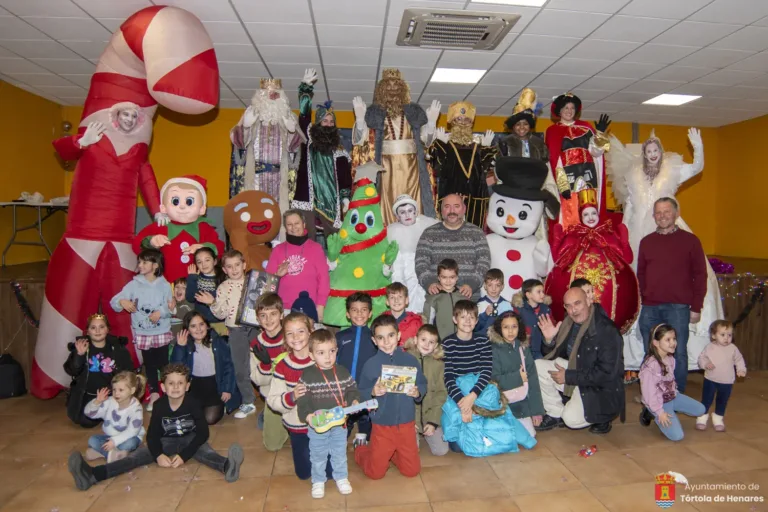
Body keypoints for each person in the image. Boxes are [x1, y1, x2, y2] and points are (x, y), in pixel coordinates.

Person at [607, 129, 722, 375]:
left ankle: (680, 372)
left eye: (655, 150)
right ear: (644, 154)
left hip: (670, 237)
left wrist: (698, 147)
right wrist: (622, 238)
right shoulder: (633, 176)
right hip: (641, 237)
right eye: (648, 151)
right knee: (635, 286)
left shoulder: (673, 171)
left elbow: (697, 167)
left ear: (660, 152)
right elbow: (628, 208)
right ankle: (638, 363)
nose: (651, 154)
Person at [67, 363, 245, 490]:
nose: (175, 387)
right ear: (163, 387)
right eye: (171, 383)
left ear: (187, 386)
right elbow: (151, 436)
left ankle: (228, 466)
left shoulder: (193, 403)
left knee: (207, 454)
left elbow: (203, 433)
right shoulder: (159, 406)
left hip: (191, 439)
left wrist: (184, 455)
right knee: (134, 458)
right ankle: (92, 475)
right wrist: (158, 455)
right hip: (165, 441)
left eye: (180, 383)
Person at [544, 187, 639, 339]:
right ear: (581, 217)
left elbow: (626, 259)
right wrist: (556, 242)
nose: (590, 217)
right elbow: (558, 260)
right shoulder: (573, 237)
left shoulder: (608, 235)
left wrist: (624, 241)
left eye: (593, 213)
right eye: (586, 214)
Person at [352, 69, 440, 225]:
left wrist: (431, 122)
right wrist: (360, 120)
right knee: (386, 201)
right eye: (388, 85)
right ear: (382, 89)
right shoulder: (375, 113)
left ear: (402, 88)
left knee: (415, 200)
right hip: (386, 168)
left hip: (412, 168)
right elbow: (361, 141)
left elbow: (426, 140)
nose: (392, 88)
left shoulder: (414, 112)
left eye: (396, 85)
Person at [638, 197, 707, 393]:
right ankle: (653, 393)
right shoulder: (646, 242)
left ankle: (676, 394)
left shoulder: (691, 241)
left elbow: (700, 275)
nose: (662, 216)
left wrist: (696, 307)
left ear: (676, 213)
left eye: (667, 211)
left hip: (678, 308)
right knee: (650, 352)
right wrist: (644, 297)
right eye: (658, 212)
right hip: (650, 307)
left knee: (679, 353)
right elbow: (640, 273)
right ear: (653, 216)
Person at [535, 287, 624, 434]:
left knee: (571, 419)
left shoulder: (607, 331)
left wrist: (569, 376)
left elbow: (606, 373)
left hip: (601, 388)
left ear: (589, 301)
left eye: (577, 303)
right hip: (578, 374)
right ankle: (556, 413)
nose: (573, 310)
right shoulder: (569, 323)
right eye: (568, 306)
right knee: (538, 366)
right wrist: (549, 341)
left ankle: (602, 417)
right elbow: (555, 355)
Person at [354, 314, 427, 479]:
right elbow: (361, 391)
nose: (386, 342)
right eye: (381, 338)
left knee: (412, 471)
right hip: (382, 425)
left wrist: (418, 392)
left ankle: (392, 453)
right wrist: (372, 392)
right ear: (374, 340)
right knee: (375, 473)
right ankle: (361, 449)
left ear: (399, 336)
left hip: (406, 425)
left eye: (391, 336)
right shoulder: (370, 364)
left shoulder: (411, 360)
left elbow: (422, 383)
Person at [297, 329, 359, 498]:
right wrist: (307, 415)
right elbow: (302, 399)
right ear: (311, 355)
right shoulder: (308, 375)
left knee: (339, 452)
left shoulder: (342, 372)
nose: (327, 357)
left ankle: (341, 477)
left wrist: (354, 400)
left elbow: (352, 389)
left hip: (339, 424)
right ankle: (318, 480)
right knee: (318, 454)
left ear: (336, 351)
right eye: (321, 353)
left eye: (331, 351)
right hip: (317, 426)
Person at [229, 77, 302, 219]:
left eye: (275, 93)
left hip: (279, 177)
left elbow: (295, 149)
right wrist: (245, 126)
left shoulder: (289, 117)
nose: (272, 96)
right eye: (268, 93)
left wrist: (292, 132)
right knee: (255, 212)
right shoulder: (251, 114)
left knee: (278, 215)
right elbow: (238, 142)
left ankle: (277, 242)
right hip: (255, 176)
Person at [110, 248, 173, 411]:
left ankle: (168, 394)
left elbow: (171, 308)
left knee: (164, 364)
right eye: (140, 262)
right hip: (143, 333)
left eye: (145, 262)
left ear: (155, 265)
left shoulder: (164, 285)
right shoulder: (133, 284)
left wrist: (162, 312)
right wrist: (122, 302)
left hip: (161, 332)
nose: (140, 265)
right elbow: (114, 301)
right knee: (150, 365)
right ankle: (154, 394)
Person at [292, 68, 352, 238]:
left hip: (331, 201)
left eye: (331, 121)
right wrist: (306, 88)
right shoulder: (310, 136)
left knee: (335, 239)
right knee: (305, 237)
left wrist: (345, 198)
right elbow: (304, 115)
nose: (328, 124)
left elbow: (344, 176)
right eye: (324, 120)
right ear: (318, 122)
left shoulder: (339, 149)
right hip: (307, 196)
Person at [133, 175, 224, 283]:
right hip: (164, 284)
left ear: (202, 209)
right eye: (175, 201)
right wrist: (151, 241)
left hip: (196, 284)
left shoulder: (204, 228)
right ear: (163, 207)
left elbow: (219, 248)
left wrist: (203, 247)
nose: (182, 206)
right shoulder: (160, 226)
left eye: (189, 201)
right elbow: (136, 244)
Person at [544, 92, 610, 232]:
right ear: (559, 111)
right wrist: (562, 185)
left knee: (590, 214)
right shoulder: (552, 131)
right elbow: (555, 161)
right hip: (568, 181)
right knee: (570, 216)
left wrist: (600, 135)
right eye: (566, 108)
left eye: (572, 108)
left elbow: (596, 152)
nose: (569, 111)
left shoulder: (586, 128)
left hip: (589, 179)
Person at [205, 250, 256, 420]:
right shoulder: (223, 288)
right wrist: (213, 303)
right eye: (229, 266)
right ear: (224, 270)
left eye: (237, 265)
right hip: (236, 330)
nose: (234, 269)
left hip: (256, 328)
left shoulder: (253, 282)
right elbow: (220, 314)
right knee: (240, 367)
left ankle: (273, 396)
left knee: (264, 362)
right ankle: (248, 401)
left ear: (244, 265)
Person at [267, 312, 318, 480]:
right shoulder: (283, 366)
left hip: (322, 426)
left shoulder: (322, 360)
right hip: (298, 426)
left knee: (329, 472)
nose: (296, 337)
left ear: (310, 332)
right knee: (304, 474)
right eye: (290, 333)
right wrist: (292, 396)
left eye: (301, 331)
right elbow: (273, 399)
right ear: (285, 337)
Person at [429, 101, 496, 228]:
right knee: (449, 230)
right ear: (451, 122)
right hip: (451, 195)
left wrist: (486, 147)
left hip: (475, 197)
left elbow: (486, 169)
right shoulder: (445, 141)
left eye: (466, 120)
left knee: (474, 231)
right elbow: (437, 167)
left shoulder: (478, 144)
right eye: (458, 119)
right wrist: (441, 146)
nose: (462, 122)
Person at [415, 193, 491, 300]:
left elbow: (484, 262)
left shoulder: (476, 233)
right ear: (441, 210)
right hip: (438, 299)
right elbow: (421, 262)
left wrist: (471, 284)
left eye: (456, 206)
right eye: (447, 206)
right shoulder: (429, 233)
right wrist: (430, 283)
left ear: (464, 209)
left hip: (469, 301)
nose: (452, 211)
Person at [64, 314, 134, 428]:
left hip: (112, 395)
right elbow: (72, 371)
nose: (97, 331)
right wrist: (79, 355)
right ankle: (101, 414)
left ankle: (108, 412)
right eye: (93, 328)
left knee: (121, 421)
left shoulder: (117, 348)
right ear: (88, 331)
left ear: (107, 329)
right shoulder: (81, 347)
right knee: (85, 422)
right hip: (89, 396)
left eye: (101, 327)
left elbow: (129, 371)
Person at [171, 311, 240, 425]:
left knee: (210, 419)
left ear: (207, 326)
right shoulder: (185, 344)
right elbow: (176, 369)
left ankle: (222, 407)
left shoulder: (218, 342)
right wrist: (179, 347)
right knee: (190, 417)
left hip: (215, 385)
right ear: (187, 330)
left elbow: (229, 366)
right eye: (193, 326)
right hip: (195, 387)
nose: (198, 329)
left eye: (201, 324)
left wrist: (226, 389)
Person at [639, 324, 705, 441]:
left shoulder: (670, 359)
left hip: (673, 397)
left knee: (701, 409)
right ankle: (650, 411)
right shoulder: (650, 366)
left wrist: (675, 393)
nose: (673, 343)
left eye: (674, 339)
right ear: (656, 343)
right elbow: (649, 393)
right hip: (660, 403)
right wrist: (660, 412)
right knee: (677, 436)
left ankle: (669, 412)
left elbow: (670, 380)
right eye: (668, 340)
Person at [489, 311, 544, 437]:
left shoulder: (523, 347)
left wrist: (536, 411)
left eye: (514, 327)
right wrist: (518, 377)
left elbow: (533, 379)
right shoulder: (493, 349)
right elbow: (493, 380)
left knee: (529, 435)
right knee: (505, 437)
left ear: (519, 328)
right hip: (500, 404)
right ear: (499, 328)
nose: (510, 331)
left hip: (521, 404)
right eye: (506, 327)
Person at [441, 300, 493, 431]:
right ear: (455, 319)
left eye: (472, 317)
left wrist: (472, 396)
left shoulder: (483, 341)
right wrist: (463, 404)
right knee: (456, 446)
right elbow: (448, 377)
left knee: (489, 426)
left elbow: (486, 372)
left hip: (478, 391)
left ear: (476, 321)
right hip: (457, 393)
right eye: (463, 317)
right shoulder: (447, 344)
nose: (468, 321)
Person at [266, 209, 330, 316]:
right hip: (283, 309)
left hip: (309, 308)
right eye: (289, 224)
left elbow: (324, 280)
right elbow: (267, 284)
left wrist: (320, 307)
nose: (293, 227)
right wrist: (277, 275)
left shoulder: (316, 248)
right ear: (285, 227)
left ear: (304, 224)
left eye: (297, 223)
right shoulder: (278, 250)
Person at [249, 293, 289, 450]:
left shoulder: (291, 336)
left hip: (296, 394)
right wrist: (266, 364)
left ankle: (289, 423)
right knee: (272, 445)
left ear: (281, 314)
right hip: (273, 396)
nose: (268, 319)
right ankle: (272, 418)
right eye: (263, 316)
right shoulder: (256, 344)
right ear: (257, 319)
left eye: (273, 314)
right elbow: (257, 380)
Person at [387, 194, 438, 314]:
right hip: (401, 275)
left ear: (416, 212)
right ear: (397, 216)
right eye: (402, 212)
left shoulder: (427, 226)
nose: (407, 215)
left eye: (410, 211)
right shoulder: (392, 232)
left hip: (422, 275)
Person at [335, 292, 376, 441]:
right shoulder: (340, 337)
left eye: (364, 309)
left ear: (370, 313)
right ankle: (348, 424)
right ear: (347, 314)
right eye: (354, 310)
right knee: (342, 431)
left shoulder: (375, 336)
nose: (359, 313)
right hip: (345, 390)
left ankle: (364, 429)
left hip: (367, 390)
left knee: (367, 433)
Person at [404, 325, 449, 456]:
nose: (427, 344)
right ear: (415, 340)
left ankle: (428, 429)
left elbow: (441, 393)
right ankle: (411, 432)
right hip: (409, 418)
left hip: (430, 416)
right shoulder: (405, 359)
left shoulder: (439, 365)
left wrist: (433, 421)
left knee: (441, 451)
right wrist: (409, 421)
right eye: (423, 339)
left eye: (431, 342)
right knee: (411, 451)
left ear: (436, 346)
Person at [83, 371, 146, 462]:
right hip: (111, 437)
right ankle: (115, 454)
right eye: (114, 390)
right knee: (92, 440)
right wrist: (97, 402)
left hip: (131, 437)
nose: (116, 393)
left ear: (132, 390)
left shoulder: (136, 408)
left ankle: (107, 452)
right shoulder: (109, 402)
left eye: (121, 390)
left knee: (129, 443)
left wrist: (114, 441)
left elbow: (132, 431)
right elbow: (88, 413)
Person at [696, 320, 747, 432]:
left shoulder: (733, 348)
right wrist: (705, 364)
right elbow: (701, 358)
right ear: (714, 335)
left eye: (729, 335)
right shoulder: (709, 347)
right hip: (710, 379)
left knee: (722, 400)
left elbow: (739, 360)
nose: (726, 338)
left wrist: (741, 370)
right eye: (722, 335)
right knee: (706, 399)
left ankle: (718, 417)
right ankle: (702, 416)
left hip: (727, 381)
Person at [185, 247, 227, 335]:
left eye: (207, 260)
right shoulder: (195, 278)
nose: (203, 264)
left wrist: (212, 301)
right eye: (199, 262)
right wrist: (192, 278)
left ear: (215, 261)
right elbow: (190, 298)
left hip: (221, 323)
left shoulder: (224, 278)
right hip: (202, 326)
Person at [422, 259, 465, 341]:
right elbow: (428, 323)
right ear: (438, 278)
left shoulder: (463, 297)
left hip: (461, 342)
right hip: (441, 343)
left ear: (457, 277)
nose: (448, 281)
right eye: (444, 277)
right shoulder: (433, 299)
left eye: (452, 277)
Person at [512, 279, 552, 360]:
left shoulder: (546, 309)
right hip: (524, 350)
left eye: (543, 291)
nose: (542, 294)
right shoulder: (519, 310)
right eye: (538, 292)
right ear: (528, 295)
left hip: (541, 350)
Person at [384, 281, 423, 345]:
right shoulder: (381, 321)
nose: (396, 300)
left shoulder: (415, 323)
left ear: (407, 300)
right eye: (392, 297)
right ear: (387, 301)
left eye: (400, 297)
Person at [475, 268, 512, 336]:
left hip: (501, 343)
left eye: (497, 285)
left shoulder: (507, 305)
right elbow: (476, 328)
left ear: (502, 287)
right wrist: (485, 314)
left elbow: (511, 326)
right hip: (483, 342)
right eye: (490, 285)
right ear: (485, 286)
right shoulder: (480, 304)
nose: (493, 289)